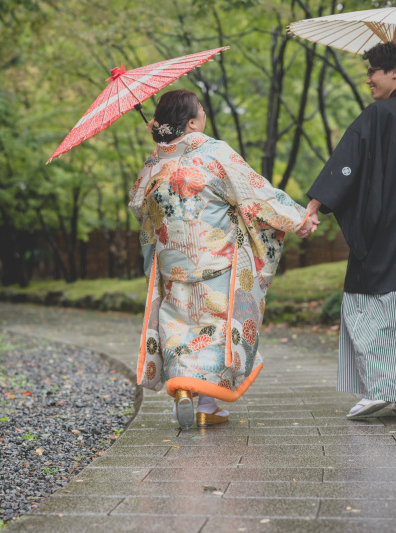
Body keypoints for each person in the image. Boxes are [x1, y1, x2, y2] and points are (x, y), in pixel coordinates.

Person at [130, 89, 314, 428]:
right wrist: (297, 218)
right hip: (215, 260)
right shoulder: (213, 152)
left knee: (178, 329)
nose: (205, 117)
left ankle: (183, 393)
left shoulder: (153, 164)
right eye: (201, 111)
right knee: (213, 331)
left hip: (172, 265)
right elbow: (253, 191)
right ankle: (206, 402)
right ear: (191, 122)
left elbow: (140, 210)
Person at [304, 42, 396, 419]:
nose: (368, 78)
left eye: (373, 70)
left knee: (375, 307)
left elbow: (346, 164)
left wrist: (316, 204)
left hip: (387, 230)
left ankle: (382, 388)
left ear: (395, 73)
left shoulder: (379, 114)